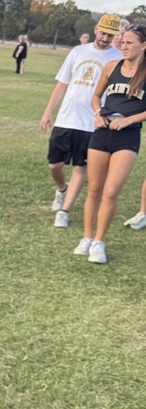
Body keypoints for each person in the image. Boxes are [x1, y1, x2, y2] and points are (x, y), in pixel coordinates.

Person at [39, 13, 122, 229]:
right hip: (66, 119)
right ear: (96, 29)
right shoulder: (78, 52)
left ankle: (64, 211)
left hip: (92, 123)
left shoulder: (118, 58)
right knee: (54, 165)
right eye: (103, 33)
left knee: (79, 168)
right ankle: (61, 189)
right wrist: (48, 111)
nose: (105, 38)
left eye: (111, 35)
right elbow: (61, 85)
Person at [74, 24, 146, 263]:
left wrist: (129, 120)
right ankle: (86, 237)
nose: (123, 46)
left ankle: (99, 242)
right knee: (94, 189)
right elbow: (96, 96)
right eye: (122, 42)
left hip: (128, 135)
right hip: (102, 132)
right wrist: (97, 114)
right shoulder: (111, 67)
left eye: (129, 43)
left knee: (111, 191)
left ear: (143, 45)